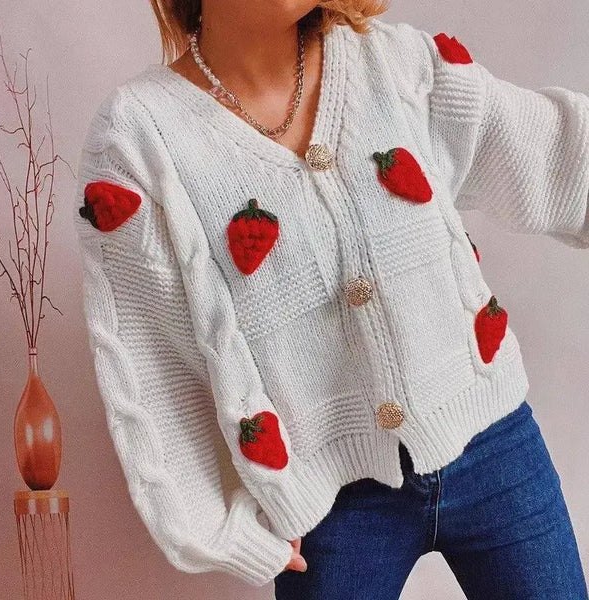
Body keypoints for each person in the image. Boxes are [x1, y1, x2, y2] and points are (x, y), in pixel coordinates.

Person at [72, 1, 589, 598]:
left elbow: (552, 153)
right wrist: (222, 525)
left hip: (494, 444)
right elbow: (151, 360)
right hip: (330, 503)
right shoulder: (139, 137)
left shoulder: (395, 64)